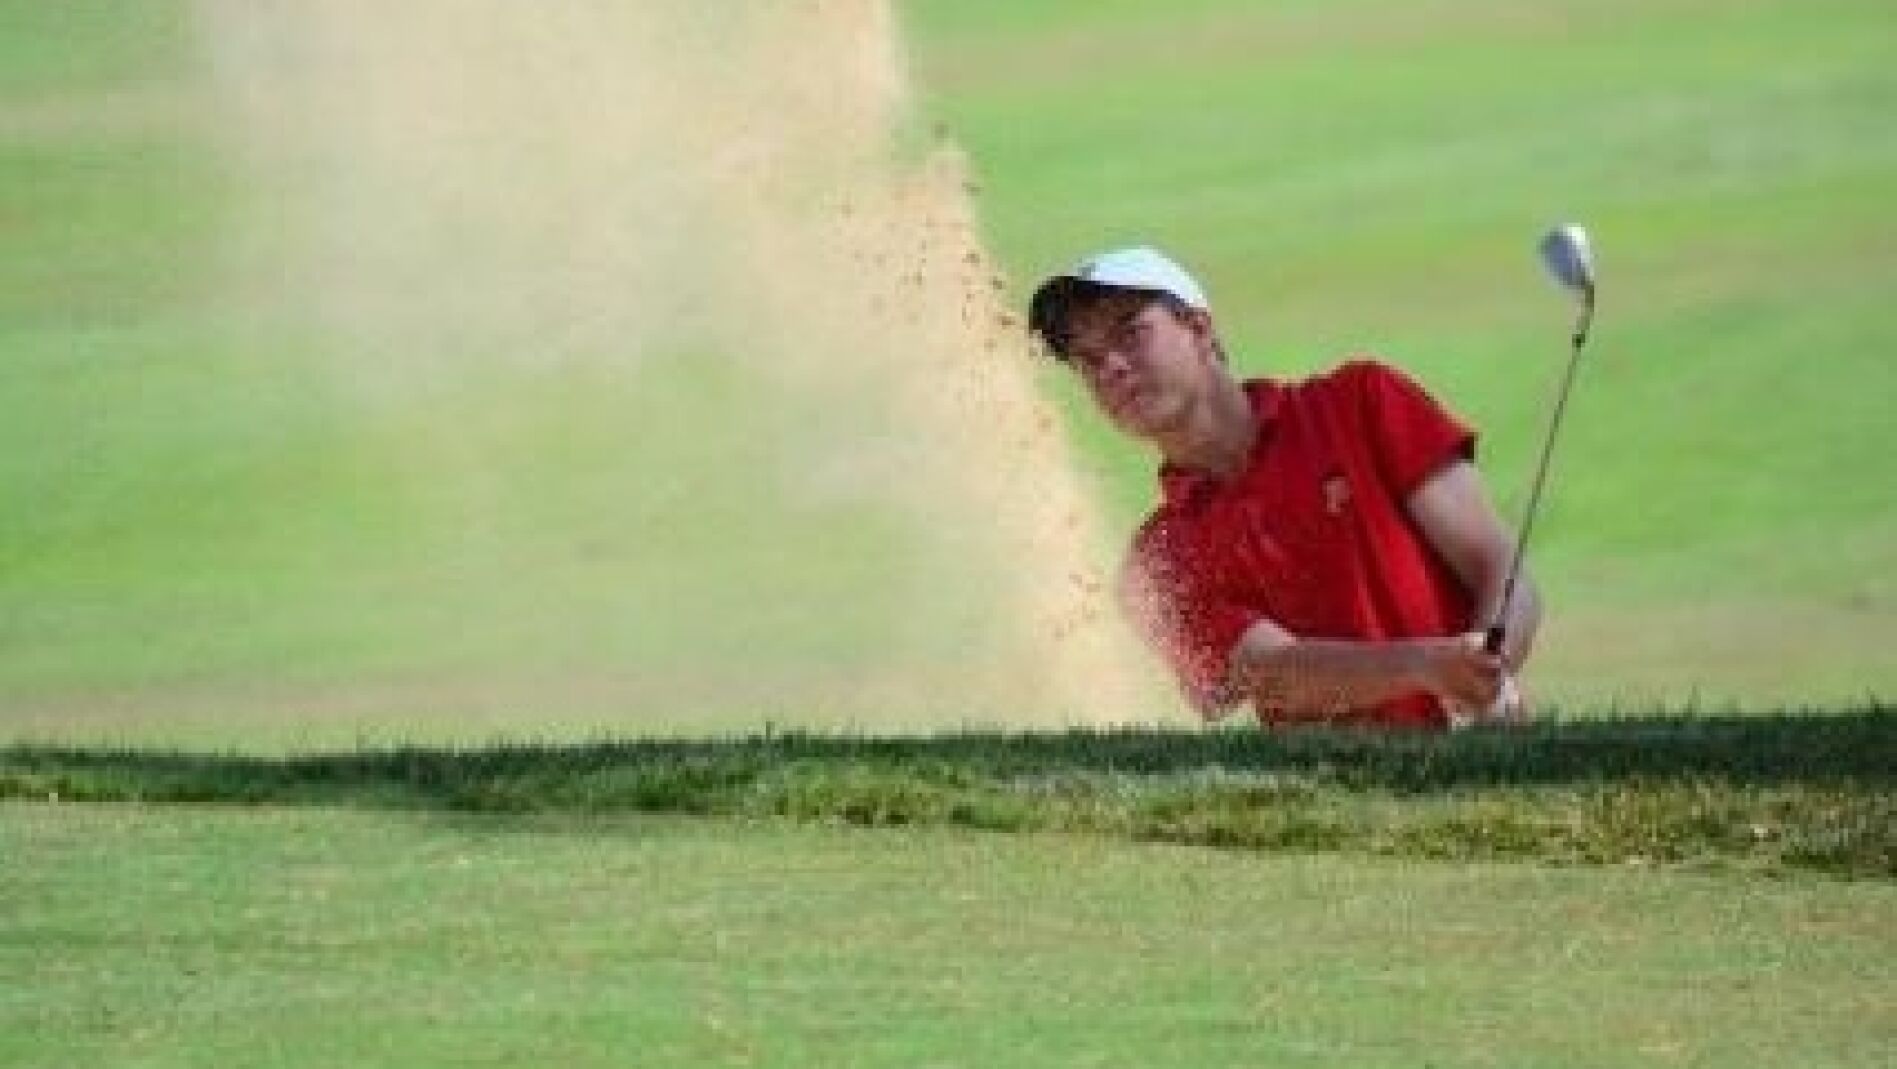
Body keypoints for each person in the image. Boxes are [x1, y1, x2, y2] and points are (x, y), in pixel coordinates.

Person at [1028, 247, 1540, 729]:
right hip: (1333, 790)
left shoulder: (1361, 402)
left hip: (1478, 755)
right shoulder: (1155, 566)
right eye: (1088, 359)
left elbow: (1500, 567)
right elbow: (1273, 675)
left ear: (1199, 328)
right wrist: (1429, 667)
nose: (1111, 368)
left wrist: (1488, 675)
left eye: (1130, 334)